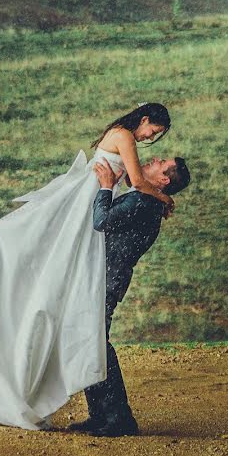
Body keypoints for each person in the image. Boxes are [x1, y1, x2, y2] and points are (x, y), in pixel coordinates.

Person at [0, 103, 173, 430]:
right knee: (89, 331)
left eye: (158, 141)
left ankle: (111, 417)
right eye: (155, 131)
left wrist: (146, 194)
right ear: (146, 119)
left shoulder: (128, 154)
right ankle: (108, 417)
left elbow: (130, 191)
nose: (152, 141)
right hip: (90, 202)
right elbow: (137, 180)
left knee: (91, 334)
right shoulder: (124, 136)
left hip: (94, 205)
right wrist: (163, 198)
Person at [68, 155, 191, 436]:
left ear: (163, 180)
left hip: (106, 279)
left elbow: (101, 221)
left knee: (96, 341)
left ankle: (119, 418)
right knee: (92, 340)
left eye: (159, 163)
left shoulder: (142, 202)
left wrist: (106, 186)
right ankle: (100, 415)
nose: (151, 160)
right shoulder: (148, 201)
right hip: (107, 277)